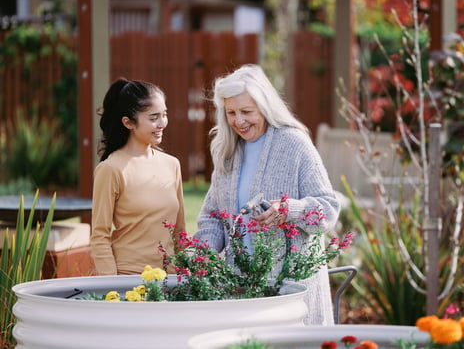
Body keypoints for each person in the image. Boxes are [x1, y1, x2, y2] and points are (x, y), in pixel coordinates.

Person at [194, 64, 340, 325]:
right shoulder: (226, 150)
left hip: (292, 291)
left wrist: (289, 210)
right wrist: (203, 252)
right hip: (242, 290)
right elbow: (212, 216)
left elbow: (328, 209)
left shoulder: (294, 144)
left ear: (265, 106)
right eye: (231, 112)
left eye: (247, 111)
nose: (239, 121)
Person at [91, 79, 186, 276]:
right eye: (154, 118)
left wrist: (185, 276)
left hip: (169, 280)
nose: (162, 123)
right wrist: (112, 289)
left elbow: (179, 231)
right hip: (128, 279)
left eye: (164, 115)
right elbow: (100, 236)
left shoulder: (172, 165)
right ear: (128, 122)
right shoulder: (110, 169)